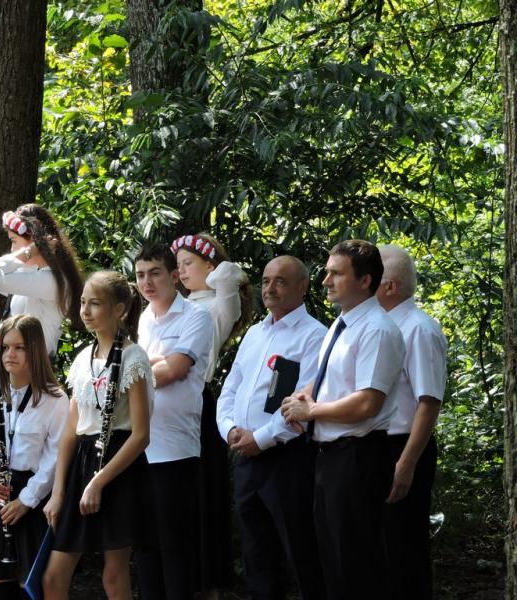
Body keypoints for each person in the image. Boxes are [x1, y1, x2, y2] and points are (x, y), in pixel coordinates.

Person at [282, 240, 405, 600]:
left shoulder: (377, 329)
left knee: (356, 566)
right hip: (331, 459)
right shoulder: (342, 323)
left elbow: (367, 402)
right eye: (326, 272)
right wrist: (301, 396)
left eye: (336, 273)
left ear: (365, 281)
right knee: (333, 563)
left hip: (358, 457)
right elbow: (330, 380)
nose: (325, 280)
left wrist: (311, 411)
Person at [216, 256, 327, 600]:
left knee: (302, 551)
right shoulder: (254, 333)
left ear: (303, 287)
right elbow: (230, 389)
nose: (270, 288)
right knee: (256, 555)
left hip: (288, 459)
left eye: (280, 281)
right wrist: (230, 429)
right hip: (246, 458)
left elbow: (304, 402)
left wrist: (261, 439)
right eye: (265, 281)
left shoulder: (315, 336)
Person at [43, 271, 152, 600]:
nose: (85, 311)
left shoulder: (133, 357)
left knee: (114, 577)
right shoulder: (82, 359)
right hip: (83, 463)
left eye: (95, 304)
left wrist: (98, 483)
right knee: (53, 577)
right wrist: (59, 491)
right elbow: (71, 432)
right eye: (82, 303)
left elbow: (141, 435)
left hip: (118, 468)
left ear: (119, 309)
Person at [172, 232, 251, 595]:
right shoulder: (178, 304)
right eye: (178, 265)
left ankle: (208, 584)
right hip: (166, 405)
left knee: (201, 494)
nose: (181, 271)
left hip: (196, 401)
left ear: (209, 264)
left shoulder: (220, 304)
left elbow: (231, 272)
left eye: (189, 263)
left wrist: (212, 258)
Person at [134, 243, 214, 600]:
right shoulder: (144, 318)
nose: (147, 282)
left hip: (176, 449)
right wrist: (154, 363)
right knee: (145, 547)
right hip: (139, 447)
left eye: (155, 273)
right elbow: (153, 369)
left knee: (175, 547)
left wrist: (139, 371)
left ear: (174, 275)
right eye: (140, 275)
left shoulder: (196, 316)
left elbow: (175, 370)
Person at [0, 314, 69, 600]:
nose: (9, 354)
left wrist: (27, 499)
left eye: (19, 348)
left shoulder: (54, 399)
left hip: (32, 500)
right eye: (5, 347)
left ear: (34, 350)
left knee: (30, 585)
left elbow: (55, 457)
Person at [377, 244, 447, 599]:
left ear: (390, 286)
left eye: (371, 275)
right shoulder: (379, 326)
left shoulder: (419, 328)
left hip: (404, 447)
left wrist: (406, 464)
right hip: (376, 446)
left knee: (403, 550)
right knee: (380, 551)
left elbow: (429, 402)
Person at [0, 204, 84, 354]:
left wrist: (28, 251)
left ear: (34, 240)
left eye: (14, 241)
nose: (12, 249)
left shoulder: (52, 281)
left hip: (36, 365)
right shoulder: (30, 273)